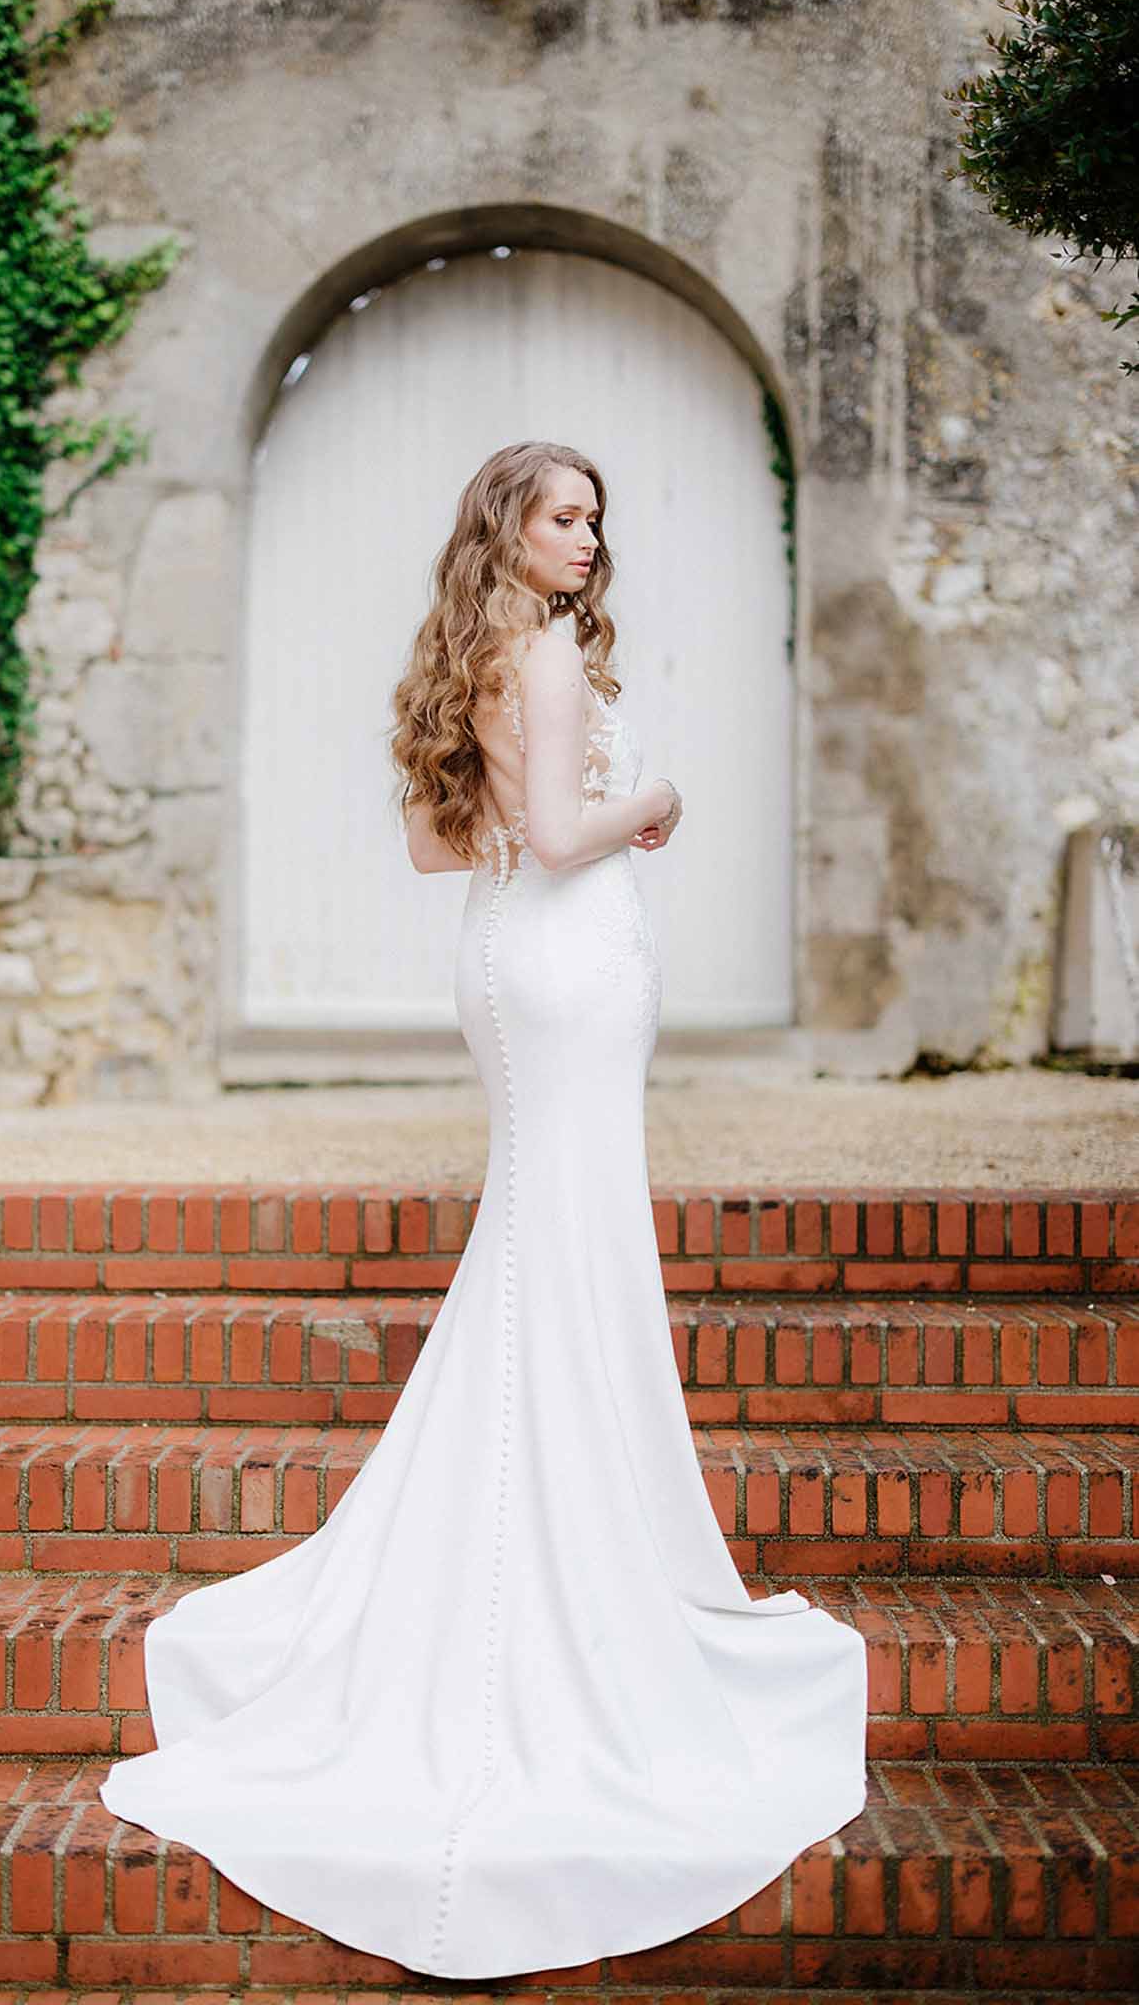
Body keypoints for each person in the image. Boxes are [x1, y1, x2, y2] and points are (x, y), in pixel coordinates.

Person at [98, 439, 868, 1979]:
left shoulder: (471, 649)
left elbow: (432, 841)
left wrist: (556, 825)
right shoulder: (551, 656)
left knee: (538, 1246)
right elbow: (571, 838)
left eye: (596, 517)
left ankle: (527, 1514)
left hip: (506, 961)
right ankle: (565, 1552)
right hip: (567, 967)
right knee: (559, 1248)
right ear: (506, 526)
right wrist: (654, 798)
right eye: (562, 515)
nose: (586, 538)